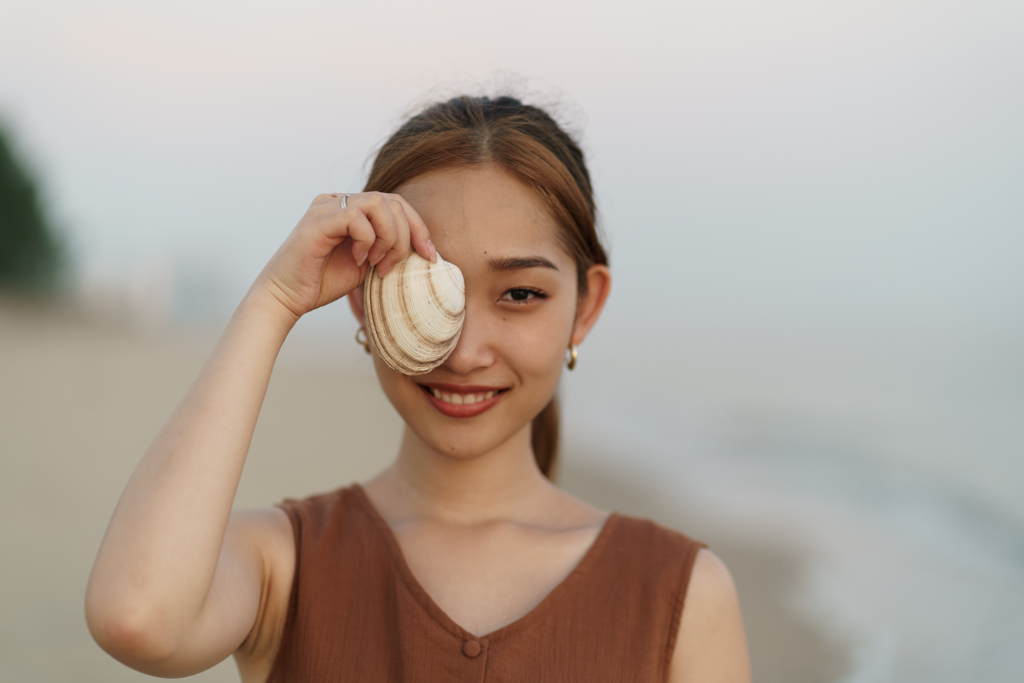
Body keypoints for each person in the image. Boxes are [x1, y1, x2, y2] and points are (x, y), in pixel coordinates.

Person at [85, 95, 750, 682]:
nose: (463, 351)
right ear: (361, 298)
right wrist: (275, 301)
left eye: (520, 293)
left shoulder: (680, 595)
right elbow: (137, 615)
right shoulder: (285, 564)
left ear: (585, 305)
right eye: (424, 291)